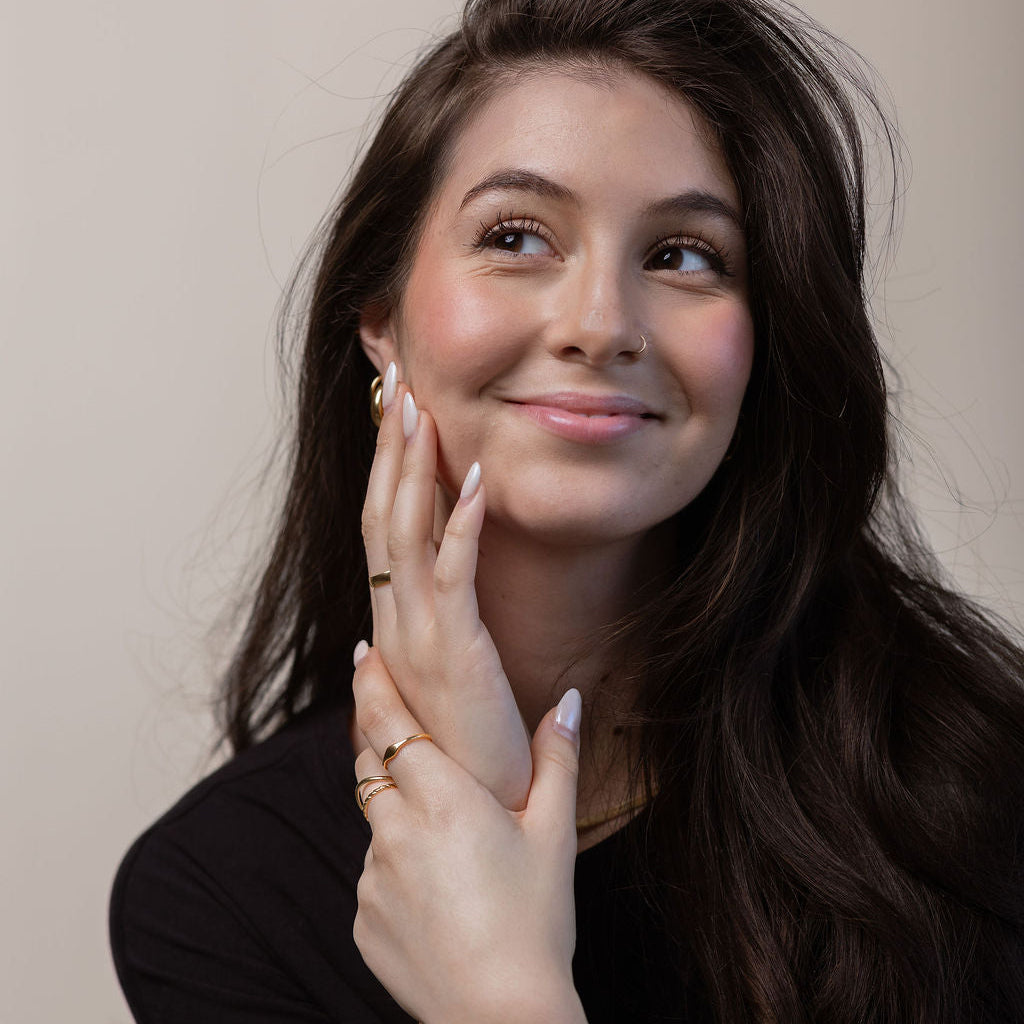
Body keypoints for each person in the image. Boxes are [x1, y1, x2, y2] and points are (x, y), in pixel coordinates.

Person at [109, 0, 1024, 1021]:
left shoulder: (976, 798)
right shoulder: (226, 894)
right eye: (516, 236)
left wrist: (504, 992)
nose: (600, 324)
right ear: (382, 324)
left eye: (682, 254)